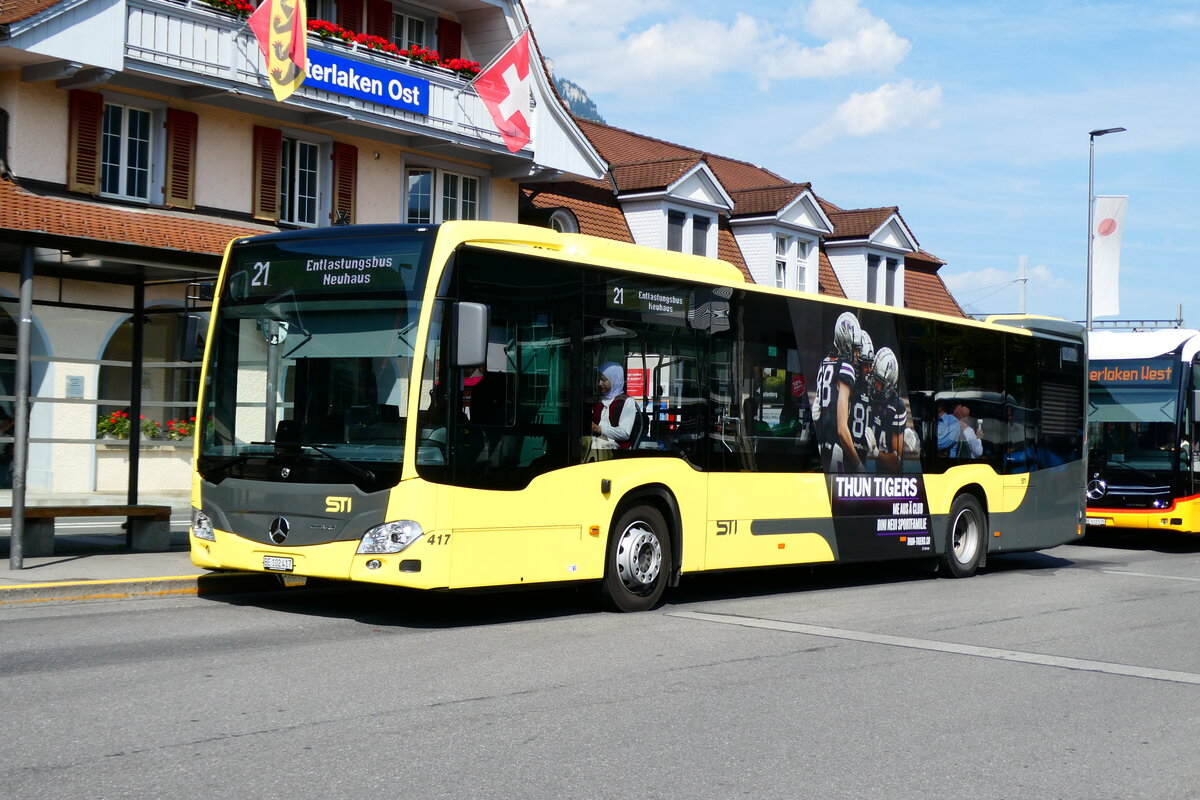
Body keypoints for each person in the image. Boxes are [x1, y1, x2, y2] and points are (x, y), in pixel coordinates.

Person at [814, 311, 863, 472]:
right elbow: (842, 429)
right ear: (846, 345)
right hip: (834, 450)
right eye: (855, 349)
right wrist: (858, 465)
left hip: (821, 447)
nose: (857, 354)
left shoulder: (825, 363)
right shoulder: (845, 367)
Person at [586, 362, 638, 460]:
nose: (599, 383)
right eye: (599, 379)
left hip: (617, 451)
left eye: (604, 380)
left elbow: (624, 433)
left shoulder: (627, 401)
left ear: (614, 380)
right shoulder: (599, 399)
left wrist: (599, 429)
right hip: (596, 445)